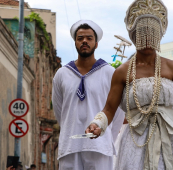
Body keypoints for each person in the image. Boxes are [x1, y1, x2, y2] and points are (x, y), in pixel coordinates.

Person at [86, 0, 173, 169]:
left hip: (171, 140)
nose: (148, 38)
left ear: (159, 35)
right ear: (134, 35)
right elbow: (109, 109)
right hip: (134, 142)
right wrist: (97, 125)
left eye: (153, 32)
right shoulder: (122, 72)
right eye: (143, 32)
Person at [52, 20, 124, 170]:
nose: (84, 41)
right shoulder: (62, 74)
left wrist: (107, 136)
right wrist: (70, 127)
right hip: (70, 146)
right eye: (80, 38)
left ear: (96, 43)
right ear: (75, 42)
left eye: (89, 38)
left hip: (99, 147)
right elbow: (60, 111)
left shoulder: (110, 73)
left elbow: (118, 112)